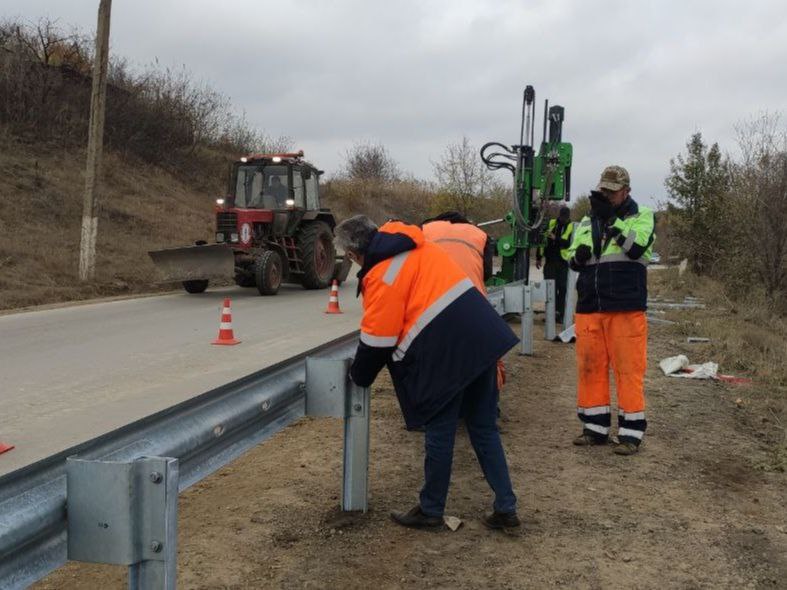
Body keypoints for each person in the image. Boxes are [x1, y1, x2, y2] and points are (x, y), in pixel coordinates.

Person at [334, 215, 520, 530]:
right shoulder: (418, 246)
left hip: (446, 353)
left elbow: (379, 338)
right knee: (484, 428)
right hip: (482, 340)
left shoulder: (382, 274)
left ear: (353, 255)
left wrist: (358, 378)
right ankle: (506, 506)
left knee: (440, 431)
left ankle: (431, 509)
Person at [567, 166, 655, 456]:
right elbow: (572, 255)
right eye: (603, 189)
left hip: (625, 306)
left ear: (626, 191)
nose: (606, 194)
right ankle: (594, 429)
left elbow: (637, 248)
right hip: (590, 304)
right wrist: (577, 257)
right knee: (590, 369)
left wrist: (613, 222)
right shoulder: (587, 219)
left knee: (628, 370)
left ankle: (630, 434)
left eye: (612, 190)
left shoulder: (642, 216)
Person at [422, 211, 506, 392]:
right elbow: (487, 273)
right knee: (484, 356)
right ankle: (487, 405)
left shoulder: (424, 230)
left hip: (432, 306)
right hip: (474, 303)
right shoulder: (479, 235)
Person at [536, 206, 573, 323]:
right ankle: (550, 315)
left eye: (566, 218)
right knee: (550, 288)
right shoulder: (551, 223)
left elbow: (568, 244)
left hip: (563, 262)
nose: (564, 220)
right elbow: (542, 241)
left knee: (562, 289)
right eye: (562, 217)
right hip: (550, 261)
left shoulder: (572, 227)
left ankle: (560, 315)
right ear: (559, 215)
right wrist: (538, 257)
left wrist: (556, 238)